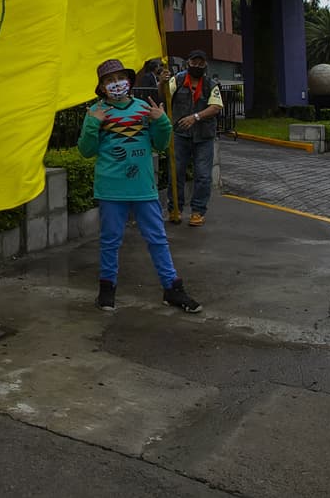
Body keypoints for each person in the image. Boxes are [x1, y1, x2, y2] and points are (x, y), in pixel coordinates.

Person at [78, 58, 202, 313]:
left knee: (158, 239)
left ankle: (172, 288)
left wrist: (161, 121)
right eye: (109, 81)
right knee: (110, 241)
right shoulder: (95, 112)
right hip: (111, 189)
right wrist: (93, 124)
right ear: (101, 87)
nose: (116, 84)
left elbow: (159, 144)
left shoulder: (145, 109)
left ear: (129, 82)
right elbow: (86, 151)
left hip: (143, 188)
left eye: (119, 78)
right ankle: (106, 290)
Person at [165, 49, 223, 226]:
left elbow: (216, 107)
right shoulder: (178, 79)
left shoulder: (210, 84)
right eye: (193, 62)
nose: (196, 66)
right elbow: (164, 95)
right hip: (179, 134)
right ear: (187, 63)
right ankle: (175, 209)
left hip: (204, 136)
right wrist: (162, 82)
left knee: (203, 175)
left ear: (205, 65)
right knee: (175, 172)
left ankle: (198, 211)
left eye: (200, 63)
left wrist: (195, 117)